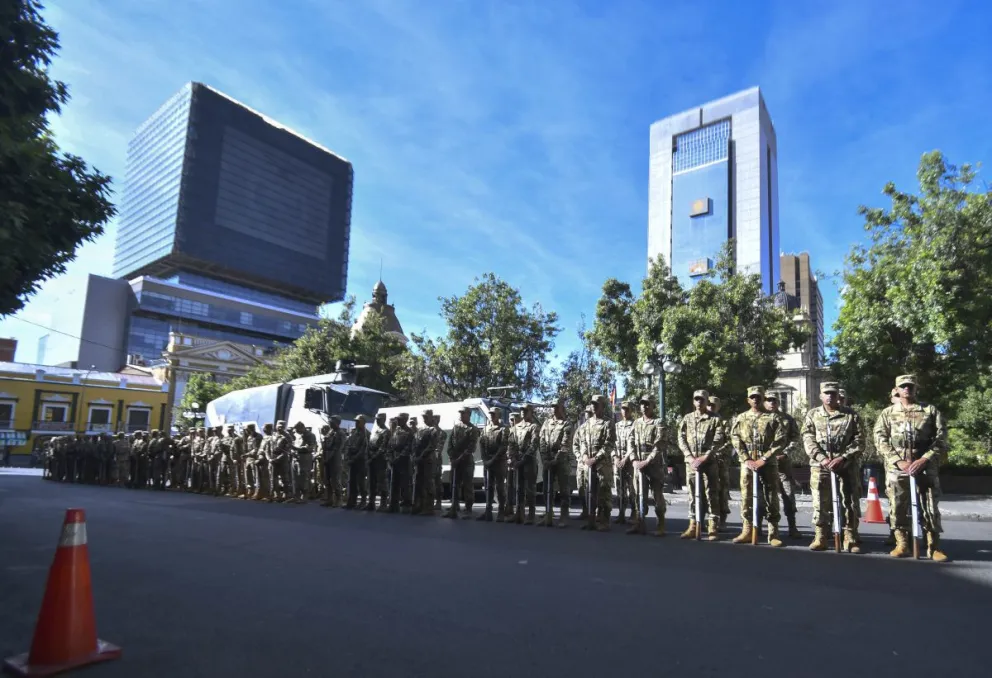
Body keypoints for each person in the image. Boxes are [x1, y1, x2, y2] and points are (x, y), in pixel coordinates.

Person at [874, 374, 949, 562]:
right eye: (903, 386)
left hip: (924, 465)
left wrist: (925, 459)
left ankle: (933, 546)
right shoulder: (887, 413)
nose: (907, 389)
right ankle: (902, 543)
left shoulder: (930, 411)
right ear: (897, 390)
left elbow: (941, 439)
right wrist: (898, 461)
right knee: (897, 505)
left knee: (930, 506)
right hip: (898, 466)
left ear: (916, 388)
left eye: (910, 386)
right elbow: (880, 439)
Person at [802, 382, 864, 553]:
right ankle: (821, 536)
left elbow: (859, 441)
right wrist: (821, 458)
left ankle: (849, 537)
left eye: (833, 393)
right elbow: (808, 438)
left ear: (838, 395)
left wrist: (843, 457)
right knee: (820, 501)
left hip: (846, 465)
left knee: (849, 501)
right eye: (826, 393)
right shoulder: (813, 414)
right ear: (820, 396)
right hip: (820, 465)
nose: (830, 396)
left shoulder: (851, 415)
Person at [731, 386, 786, 547]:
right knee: (746, 496)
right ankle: (747, 530)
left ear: (763, 398)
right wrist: (746, 458)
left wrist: (764, 458)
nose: (755, 399)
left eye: (758, 397)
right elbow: (735, 438)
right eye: (752, 397)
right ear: (748, 400)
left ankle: (773, 533)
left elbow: (780, 440)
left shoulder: (773, 418)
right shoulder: (741, 418)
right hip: (747, 463)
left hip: (767, 463)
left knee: (771, 496)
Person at [677, 390, 724, 540]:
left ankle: (712, 527)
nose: (699, 402)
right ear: (693, 401)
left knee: (711, 493)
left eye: (702, 399)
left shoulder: (715, 419)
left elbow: (718, 440)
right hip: (691, 462)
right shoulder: (688, 418)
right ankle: (693, 525)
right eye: (696, 399)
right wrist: (689, 457)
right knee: (692, 494)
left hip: (708, 461)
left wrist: (705, 457)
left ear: (706, 400)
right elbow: (681, 437)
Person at [764, 394, 804, 539]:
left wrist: (786, 453)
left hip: (782, 465)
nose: (772, 402)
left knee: (788, 495)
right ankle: (763, 528)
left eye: (774, 400)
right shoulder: (760, 418)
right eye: (768, 400)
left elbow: (795, 438)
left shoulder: (787, 419)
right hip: (764, 465)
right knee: (764, 497)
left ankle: (792, 526)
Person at [629, 396, 667, 536]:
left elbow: (660, 444)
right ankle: (640, 523)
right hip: (638, 463)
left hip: (654, 464)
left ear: (653, 406)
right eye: (642, 404)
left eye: (647, 404)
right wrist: (633, 459)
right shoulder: (636, 423)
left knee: (657, 494)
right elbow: (630, 442)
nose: (644, 407)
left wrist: (648, 460)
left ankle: (660, 524)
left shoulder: (659, 422)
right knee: (639, 494)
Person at [579, 395, 615, 532]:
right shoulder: (587, 424)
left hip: (602, 464)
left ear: (602, 406)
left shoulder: (608, 423)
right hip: (588, 463)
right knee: (590, 492)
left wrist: (596, 458)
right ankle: (591, 520)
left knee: (604, 493)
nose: (594, 406)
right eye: (592, 404)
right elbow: (582, 442)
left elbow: (609, 444)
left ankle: (604, 521)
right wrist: (584, 455)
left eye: (596, 404)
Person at [538, 397, 573, 528]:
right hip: (547, 460)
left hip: (561, 461)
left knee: (564, 490)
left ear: (561, 408)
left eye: (556, 407)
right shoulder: (547, 423)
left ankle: (564, 516)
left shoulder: (567, 424)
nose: (553, 409)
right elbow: (541, 441)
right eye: (552, 406)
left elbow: (565, 445)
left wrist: (555, 460)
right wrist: (545, 458)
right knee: (547, 488)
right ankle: (548, 513)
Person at [508, 404, 540, 525]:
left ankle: (531, 514)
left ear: (531, 412)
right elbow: (511, 443)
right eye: (521, 410)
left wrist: (524, 458)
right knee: (518, 489)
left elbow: (534, 444)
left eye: (525, 410)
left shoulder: (534, 427)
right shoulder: (516, 427)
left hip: (529, 461)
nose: (522, 412)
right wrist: (513, 457)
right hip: (517, 460)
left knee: (530, 489)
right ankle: (519, 513)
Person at [445, 407, 479, 519]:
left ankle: (468, 508)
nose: (461, 415)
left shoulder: (472, 429)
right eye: (460, 413)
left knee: (467, 485)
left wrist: (459, 458)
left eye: (463, 413)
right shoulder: (456, 427)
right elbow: (450, 443)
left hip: (466, 461)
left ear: (469, 415)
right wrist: (451, 456)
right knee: (454, 484)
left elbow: (471, 448)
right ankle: (454, 506)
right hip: (455, 460)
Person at [479, 407, 509, 522]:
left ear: (498, 415)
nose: (491, 416)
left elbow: (503, 446)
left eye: (494, 414)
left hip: (499, 462)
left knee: (500, 487)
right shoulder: (486, 429)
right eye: (490, 414)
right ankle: (488, 510)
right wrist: (485, 459)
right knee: (488, 486)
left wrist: (492, 460)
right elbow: (481, 444)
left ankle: (501, 511)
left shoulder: (503, 429)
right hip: (488, 462)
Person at [708, 396, 733, 529]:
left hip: (720, 461)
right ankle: (707, 518)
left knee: (722, 490)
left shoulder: (724, 423)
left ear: (718, 406)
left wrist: (718, 452)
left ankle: (722, 519)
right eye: (709, 404)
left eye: (713, 405)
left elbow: (730, 441)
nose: (711, 407)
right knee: (706, 490)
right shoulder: (703, 420)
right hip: (705, 460)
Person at [412, 410, 440, 515]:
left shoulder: (433, 430)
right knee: (418, 483)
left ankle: (429, 507)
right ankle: (419, 505)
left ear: (431, 417)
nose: (424, 418)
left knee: (428, 483)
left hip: (428, 460)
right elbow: (414, 443)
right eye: (423, 416)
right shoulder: (420, 429)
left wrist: (420, 456)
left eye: (426, 416)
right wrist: (415, 456)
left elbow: (431, 446)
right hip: (419, 460)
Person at [613, 402, 636, 524]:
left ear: (631, 410)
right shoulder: (617, 426)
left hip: (630, 460)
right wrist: (615, 457)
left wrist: (626, 458)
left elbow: (634, 445)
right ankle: (621, 512)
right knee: (619, 488)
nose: (625, 411)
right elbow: (612, 443)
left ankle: (634, 512)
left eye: (627, 409)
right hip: (618, 460)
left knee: (632, 488)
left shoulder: (635, 425)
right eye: (623, 409)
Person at [366, 413, 390, 512]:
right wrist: (369, 455)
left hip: (380, 460)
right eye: (376, 419)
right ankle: (371, 502)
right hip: (372, 459)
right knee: (371, 482)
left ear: (384, 419)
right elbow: (370, 443)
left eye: (379, 419)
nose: (377, 421)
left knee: (381, 482)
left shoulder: (386, 431)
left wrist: (373, 457)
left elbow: (383, 447)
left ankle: (383, 503)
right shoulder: (375, 430)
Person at [344, 416, 369, 510]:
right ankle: (351, 501)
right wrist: (348, 456)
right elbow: (348, 444)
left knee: (361, 482)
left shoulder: (366, 434)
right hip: (352, 460)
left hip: (360, 461)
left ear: (363, 422)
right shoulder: (354, 432)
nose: (356, 423)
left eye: (358, 422)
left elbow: (363, 449)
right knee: (352, 482)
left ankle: (363, 501)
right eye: (356, 421)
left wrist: (354, 458)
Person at [320, 417, 346, 507]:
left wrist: (328, 457)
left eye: (332, 422)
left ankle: (339, 499)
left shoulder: (340, 433)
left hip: (335, 458)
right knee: (327, 479)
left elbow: (338, 448)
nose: (330, 423)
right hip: (327, 457)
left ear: (337, 423)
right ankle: (329, 499)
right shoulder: (331, 432)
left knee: (335, 480)